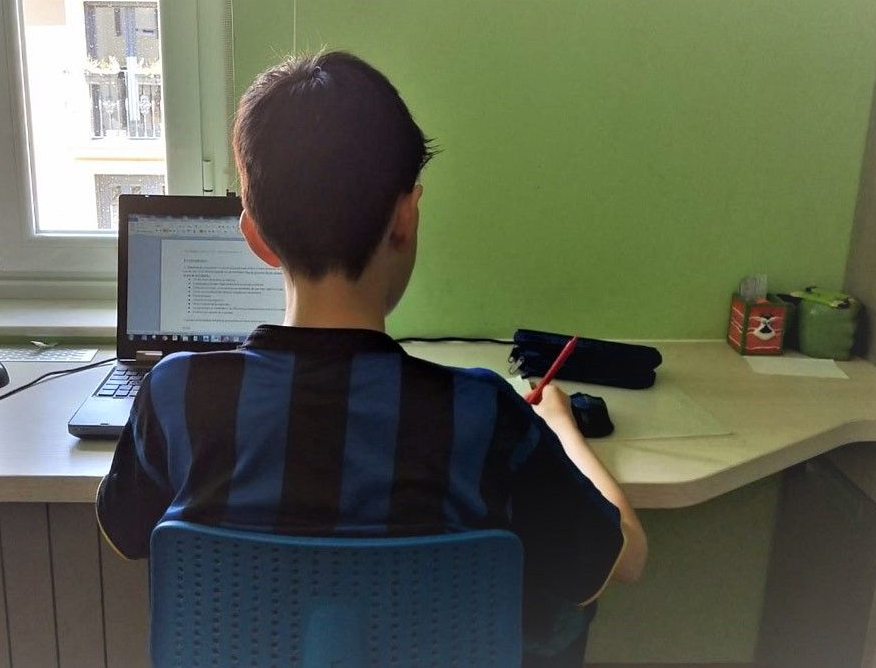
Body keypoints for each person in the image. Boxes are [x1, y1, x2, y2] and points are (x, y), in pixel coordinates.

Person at [96, 50, 647, 666]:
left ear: (254, 238)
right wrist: (562, 427)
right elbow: (624, 556)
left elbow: (126, 537)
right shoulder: (481, 411)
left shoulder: (176, 394)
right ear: (405, 219)